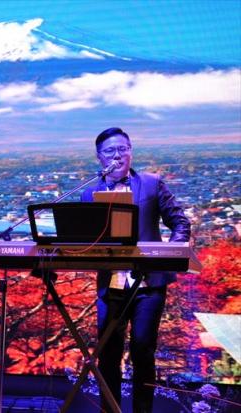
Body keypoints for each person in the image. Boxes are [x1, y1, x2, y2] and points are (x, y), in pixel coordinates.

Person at [81, 127, 190, 413]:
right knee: (108, 354)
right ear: (99, 157)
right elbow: (86, 240)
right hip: (111, 285)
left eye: (123, 149)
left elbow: (180, 222)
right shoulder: (90, 192)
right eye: (110, 151)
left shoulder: (151, 184)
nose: (117, 155)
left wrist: (170, 253)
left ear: (130, 151)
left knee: (143, 350)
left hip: (149, 284)